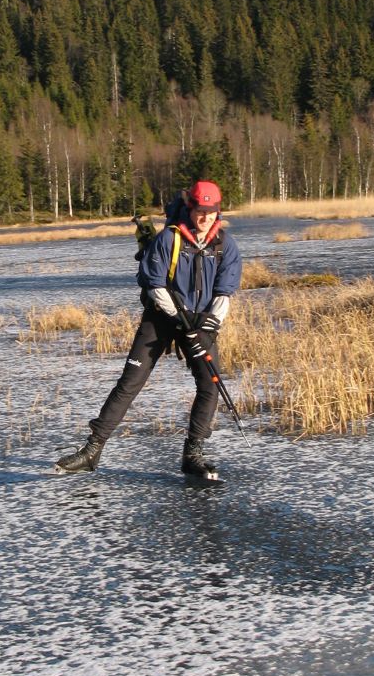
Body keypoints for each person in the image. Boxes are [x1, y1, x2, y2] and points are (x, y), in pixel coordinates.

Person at [56, 178, 243, 478]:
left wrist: (209, 324)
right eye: (199, 210)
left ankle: (192, 454)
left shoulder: (225, 245)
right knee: (130, 382)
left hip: (200, 321)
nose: (205, 217)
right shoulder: (168, 239)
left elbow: (224, 293)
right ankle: (92, 450)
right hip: (160, 316)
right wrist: (183, 322)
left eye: (211, 211)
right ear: (189, 207)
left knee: (211, 383)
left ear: (218, 212)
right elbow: (155, 285)